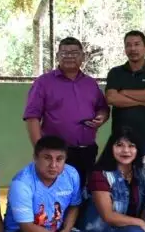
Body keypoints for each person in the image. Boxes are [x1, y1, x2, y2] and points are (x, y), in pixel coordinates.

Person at [23, 36, 109, 182]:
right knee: (58, 191)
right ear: (57, 56)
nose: (69, 56)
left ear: (83, 57)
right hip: (56, 154)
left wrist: (101, 117)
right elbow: (32, 117)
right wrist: (40, 150)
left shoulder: (90, 83)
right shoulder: (43, 82)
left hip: (87, 151)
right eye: (64, 53)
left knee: (84, 191)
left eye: (74, 53)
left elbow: (103, 108)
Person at [105, 30, 145, 158]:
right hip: (121, 140)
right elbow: (111, 98)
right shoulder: (115, 72)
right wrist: (144, 101)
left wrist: (124, 92)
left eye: (137, 44)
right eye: (128, 45)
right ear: (125, 49)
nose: (133, 49)